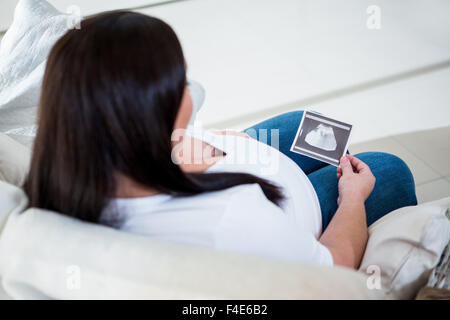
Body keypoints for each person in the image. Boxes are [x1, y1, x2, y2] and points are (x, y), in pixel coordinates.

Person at [24, 11, 417, 269]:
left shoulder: (71, 158)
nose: (191, 91)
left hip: (235, 162)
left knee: (311, 127)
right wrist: (353, 197)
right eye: (181, 84)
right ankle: (351, 177)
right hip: (298, 213)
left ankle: (340, 162)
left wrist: (213, 144)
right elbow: (332, 265)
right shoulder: (228, 218)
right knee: (388, 170)